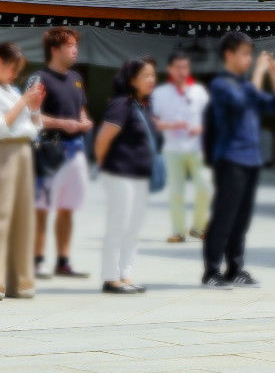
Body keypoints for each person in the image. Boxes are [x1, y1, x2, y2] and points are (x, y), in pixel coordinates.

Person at [202, 32, 275, 289]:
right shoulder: (222, 85)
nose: (249, 60)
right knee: (224, 215)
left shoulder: (246, 84)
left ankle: (235, 267)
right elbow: (241, 104)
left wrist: (274, 75)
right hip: (230, 158)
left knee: (242, 217)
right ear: (228, 55)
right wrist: (260, 74)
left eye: (251, 55)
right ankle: (211, 270)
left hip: (251, 159)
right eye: (244, 54)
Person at [94, 57, 160, 295]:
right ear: (132, 79)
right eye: (146, 75)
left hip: (140, 176)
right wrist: (105, 166)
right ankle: (111, 278)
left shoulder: (144, 105)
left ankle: (126, 274)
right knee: (118, 226)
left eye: (153, 75)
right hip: (120, 174)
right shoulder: (121, 105)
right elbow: (102, 140)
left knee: (133, 228)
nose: (151, 80)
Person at [33, 27, 93, 281]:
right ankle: (36, 262)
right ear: (55, 49)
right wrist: (62, 124)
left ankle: (63, 261)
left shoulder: (76, 78)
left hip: (76, 149)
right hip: (49, 149)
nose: (75, 49)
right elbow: (32, 116)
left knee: (68, 207)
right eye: (69, 45)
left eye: (75, 45)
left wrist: (84, 121)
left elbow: (81, 110)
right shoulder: (39, 79)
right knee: (42, 208)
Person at [150, 52, 211, 244]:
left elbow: (211, 118)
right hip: (173, 148)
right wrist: (171, 126)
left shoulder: (199, 92)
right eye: (178, 67)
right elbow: (152, 120)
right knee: (176, 191)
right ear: (169, 69)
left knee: (205, 187)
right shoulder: (160, 93)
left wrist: (201, 128)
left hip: (197, 147)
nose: (182, 71)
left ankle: (199, 227)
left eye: (185, 67)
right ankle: (178, 231)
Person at [0, 43, 45, 300]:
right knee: (2, 216)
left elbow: (34, 127)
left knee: (23, 217)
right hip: (4, 152)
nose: (15, 73)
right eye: (11, 67)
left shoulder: (13, 90)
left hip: (23, 151)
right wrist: (23, 102)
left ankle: (20, 281)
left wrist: (35, 105)